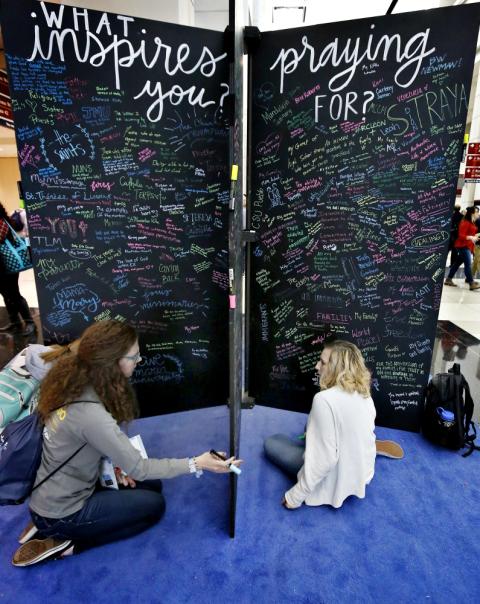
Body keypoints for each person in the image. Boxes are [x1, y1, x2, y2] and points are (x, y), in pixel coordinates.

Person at [12, 320, 241, 567]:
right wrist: (197, 463)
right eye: (135, 357)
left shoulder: (74, 377)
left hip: (56, 487)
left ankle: (45, 522)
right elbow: (139, 468)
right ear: (112, 363)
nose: (138, 362)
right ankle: (67, 543)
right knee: (154, 507)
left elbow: (86, 445)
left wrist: (115, 469)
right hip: (64, 512)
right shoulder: (92, 416)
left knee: (153, 486)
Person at [264, 340, 380, 509]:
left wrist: (295, 497)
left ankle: (313, 443)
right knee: (308, 429)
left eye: (323, 363)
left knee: (272, 442)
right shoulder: (364, 394)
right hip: (361, 474)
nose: (317, 366)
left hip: (334, 479)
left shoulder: (324, 400)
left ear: (337, 368)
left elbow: (324, 460)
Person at [0, 201, 35, 335]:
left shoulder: (2, 221)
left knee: (14, 293)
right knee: (5, 294)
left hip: (7, 265)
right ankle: (15, 322)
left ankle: (30, 322)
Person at [444, 206, 480, 290]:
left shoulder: (472, 222)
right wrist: (471, 237)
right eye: (477, 212)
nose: (478, 214)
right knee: (468, 264)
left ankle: (448, 279)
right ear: (472, 213)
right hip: (462, 246)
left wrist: (475, 236)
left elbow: (469, 234)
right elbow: (461, 235)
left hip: (467, 246)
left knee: (457, 264)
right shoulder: (465, 222)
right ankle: (471, 283)